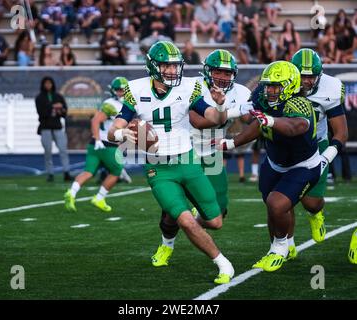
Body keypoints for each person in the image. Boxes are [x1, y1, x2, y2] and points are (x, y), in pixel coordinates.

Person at [108, 41, 234, 284]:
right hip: (159, 169)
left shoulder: (189, 87)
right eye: (167, 66)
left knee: (215, 222)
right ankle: (223, 264)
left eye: (175, 66)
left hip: (188, 160)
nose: (173, 71)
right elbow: (113, 130)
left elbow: (214, 118)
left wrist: (220, 105)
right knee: (185, 220)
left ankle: (177, 231)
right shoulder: (135, 90)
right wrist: (121, 135)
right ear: (153, 67)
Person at [219, 61, 325, 272]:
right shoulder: (262, 94)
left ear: (291, 85)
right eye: (268, 85)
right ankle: (283, 246)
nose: (270, 90)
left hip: (303, 165)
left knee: (279, 204)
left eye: (276, 86)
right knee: (272, 205)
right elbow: (257, 124)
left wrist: (270, 120)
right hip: (275, 162)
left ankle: (279, 249)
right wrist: (231, 143)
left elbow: (296, 127)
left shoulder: (299, 103)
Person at [152, 49, 251, 268]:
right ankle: (166, 245)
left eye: (227, 73)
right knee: (171, 214)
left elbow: (248, 117)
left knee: (218, 217)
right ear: (207, 71)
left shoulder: (241, 92)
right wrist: (231, 110)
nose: (223, 77)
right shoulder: (189, 86)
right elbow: (197, 120)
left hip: (211, 156)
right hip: (183, 153)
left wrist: (259, 108)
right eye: (218, 72)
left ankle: (190, 225)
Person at [290, 49, 348, 251]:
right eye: (301, 75)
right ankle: (284, 245)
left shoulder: (330, 88)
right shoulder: (280, 82)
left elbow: (340, 132)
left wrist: (326, 157)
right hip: (284, 145)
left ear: (319, 75)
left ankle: (316, 215)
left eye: (310, 76)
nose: (305, 81)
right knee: (280, 200)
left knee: (311, 202)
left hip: (316, 145)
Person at [64, 77, 129, 212]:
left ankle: (71, 192)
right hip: (106, 144)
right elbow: (95, 121)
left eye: (124, 90)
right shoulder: (111, 104)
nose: (121, 92)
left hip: (95, 145)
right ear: (113, 91)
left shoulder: (121, 103)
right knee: (116, 172)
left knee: (88, 172)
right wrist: (98, 139)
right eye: (119, 90)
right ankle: (99, 198)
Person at [35, 76, 72, 182]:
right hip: (45, 127)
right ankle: (50, 173)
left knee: (63, 150)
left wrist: (60, 110)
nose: (48, 85)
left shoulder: (58, 96)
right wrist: (54, 107)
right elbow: (41, 112)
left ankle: (66, 172)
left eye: (49, 83)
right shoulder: (39, 97)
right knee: (48, 152)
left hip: (57, 126)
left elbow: (65, 112)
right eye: (46, 83)